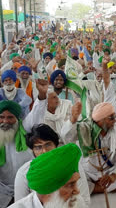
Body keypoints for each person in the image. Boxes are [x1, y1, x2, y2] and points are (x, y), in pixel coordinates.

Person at [14, 124, 90, 206]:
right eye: (38, 147)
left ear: (56, 146)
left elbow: (85, 201)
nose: (44, 151)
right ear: (33, 151)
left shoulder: (71, 165)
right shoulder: (24, 173)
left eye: (48, 144)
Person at [0, 79, 48, 207]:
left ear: (17, 119)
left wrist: (42, 95)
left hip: (28, 185)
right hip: (2, 191)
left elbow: (36, 114)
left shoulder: (25, 129)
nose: (5, 121)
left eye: (10, 117)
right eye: (1, 117)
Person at [61, 102, 116, 194]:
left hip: (108, 171)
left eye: (115, 117)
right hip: (87, 173)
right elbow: (66, 136)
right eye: (111, 118)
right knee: (74, 182)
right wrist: (73, 119)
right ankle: (102, 188)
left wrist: (113, 176)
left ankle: (97, 188)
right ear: (100, 120)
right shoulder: (84, 128)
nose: (115, 121)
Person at [9, 143, 86, 208]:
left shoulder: (73, 202)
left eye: (75, 183)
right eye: (70, 185)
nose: (77, 191)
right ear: (48, 189)